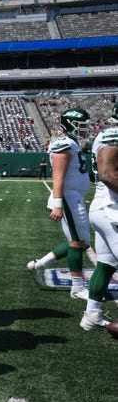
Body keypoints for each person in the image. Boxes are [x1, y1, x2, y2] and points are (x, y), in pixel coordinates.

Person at [27, 108, 92, 300]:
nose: (84, 129)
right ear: (69, 124)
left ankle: (39, 264)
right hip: (67, 198)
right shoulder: (63, 143)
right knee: (77, 243)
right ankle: (77, 288)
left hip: (75, 197)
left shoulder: (73, 143)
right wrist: (58, 204)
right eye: (81, 125)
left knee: (81, 242)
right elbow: (57, 176)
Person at [80, 103, 118, 330]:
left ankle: (92, 316)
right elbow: (106, 174)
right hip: (112, 208)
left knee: (106, 264)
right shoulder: (113, 135)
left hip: (105, 206)